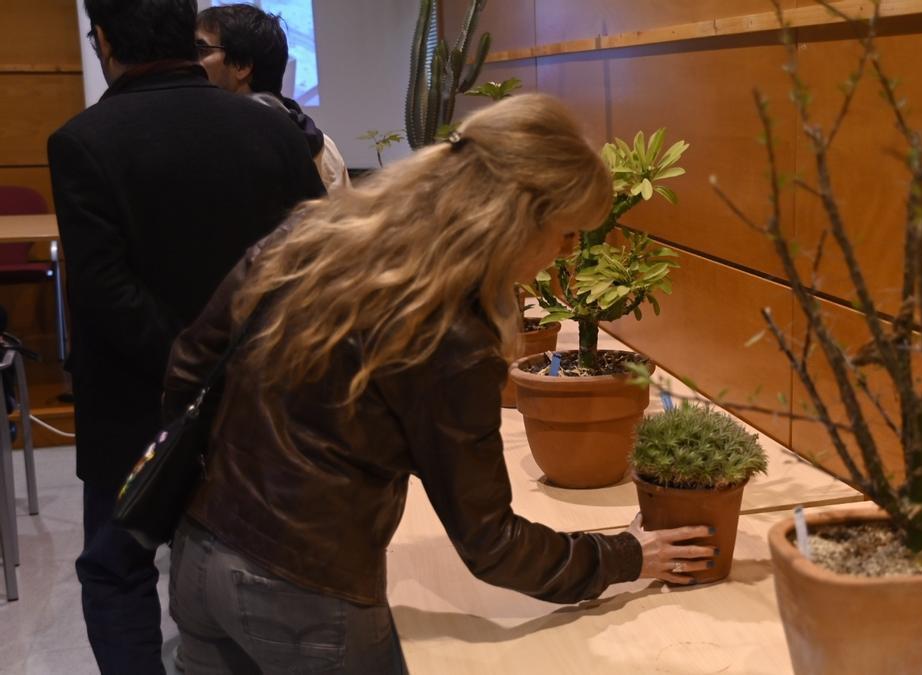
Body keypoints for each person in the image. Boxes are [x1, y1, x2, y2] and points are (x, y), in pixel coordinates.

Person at [163, 93, 714, 674]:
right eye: (568, 234)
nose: (563, 256)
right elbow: (491, 543)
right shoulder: (450, 331)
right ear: (517, 219)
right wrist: (626, 555)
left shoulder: (313, 231)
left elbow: (187, 367)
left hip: (199, 552)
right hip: (307, 597)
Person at [48, 0, 326, 671]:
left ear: (104, 39)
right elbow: (316, 260)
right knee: (253, 560)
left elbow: (104, 290)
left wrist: (189, 363)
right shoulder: (273, 128)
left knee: (118, 568)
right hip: (261, 395)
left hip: (134, 404)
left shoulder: (82, 140)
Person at [196, 4, 352, 191]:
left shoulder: (217, 146)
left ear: (241, 66)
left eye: (201, 50)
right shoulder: (323, 146)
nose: (189, 61)